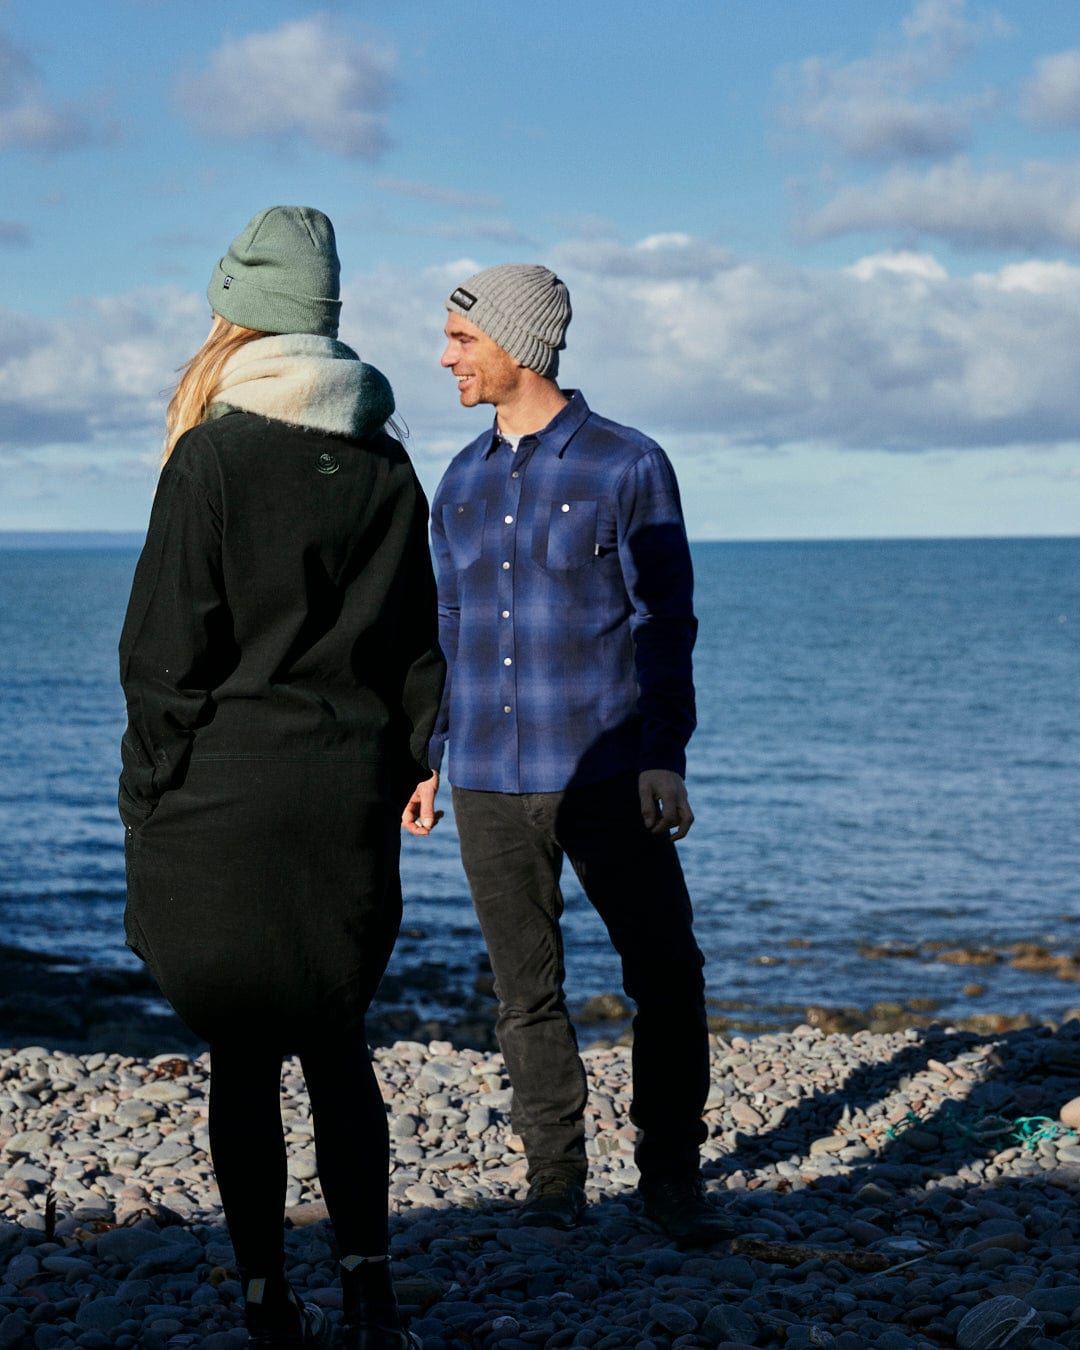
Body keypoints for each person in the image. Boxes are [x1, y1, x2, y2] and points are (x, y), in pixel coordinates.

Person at [119, 206, 441, 1349]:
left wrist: (145, 793)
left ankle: (264, 1299)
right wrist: (416, 759)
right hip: (345, 793)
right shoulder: (387, 456)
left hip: (225, 795)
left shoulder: (210, 454)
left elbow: (162, 654)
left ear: (241, 316)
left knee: (244, 1058)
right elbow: (416, 641)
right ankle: (370, 1291)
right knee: (339, 1042)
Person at [402, 264, 731, 1244]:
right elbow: (448, 623)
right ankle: (555, 1186)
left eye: (461, 339)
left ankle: (670, 1181)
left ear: (517, 343)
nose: (445, 356)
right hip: (488, 782)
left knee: (666, 973)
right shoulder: (459, 479)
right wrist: (427, 754)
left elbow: (665, 619)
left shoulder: (628, 465)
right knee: (523, 992)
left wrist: (665, 753)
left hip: (607, 769)